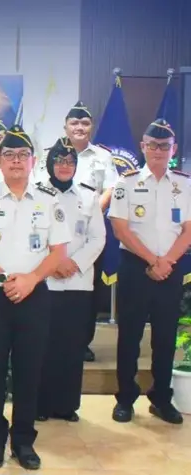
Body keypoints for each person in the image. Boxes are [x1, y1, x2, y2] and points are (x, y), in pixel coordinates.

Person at [0, 125, 70, 470]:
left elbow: (59, 251)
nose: (16, 160)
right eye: (9, 155)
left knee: (29, 371)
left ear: (34, 160)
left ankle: (23, 441)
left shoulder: (48, 199)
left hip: (34, 295)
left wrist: (32, 279)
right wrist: (4, 279)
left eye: (23, 155)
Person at [108, 119, 189, 425]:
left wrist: (166, 261)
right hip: (135, 267)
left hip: (171, 267)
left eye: (164, 146)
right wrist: (152, 260)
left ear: (173, 149)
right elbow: (120, 228)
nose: (158, 151)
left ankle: (161, 398)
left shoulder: (184, 184)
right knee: (129, 335)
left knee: (165, 337)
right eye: (152, 145)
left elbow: (188, 230)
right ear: (142, 147)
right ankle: (125, 398)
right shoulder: (126, 183)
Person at [36, 137, 105, 422]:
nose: (64, 166)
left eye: (70, 161)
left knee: (72, 346)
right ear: (49, 164)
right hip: (45, 282)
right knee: (43, 346)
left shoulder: (88, 196)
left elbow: (98, 238)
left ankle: (66, 406)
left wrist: (73, 264)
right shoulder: (36, 193)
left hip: (78, 282)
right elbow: (32, 237)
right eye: (59, 161)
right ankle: (40, 405)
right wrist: (53, 264)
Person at [61, 101, 119, 363]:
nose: (79, 127)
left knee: (90, 290)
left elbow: (110, 189)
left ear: (91, 127)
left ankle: (83, 342)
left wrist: (92, 212)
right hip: (57, 231)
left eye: (84, 123)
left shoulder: (102, 156)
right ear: (65, 126)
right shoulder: (53, 153)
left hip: (90, 232)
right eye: (74, 122)